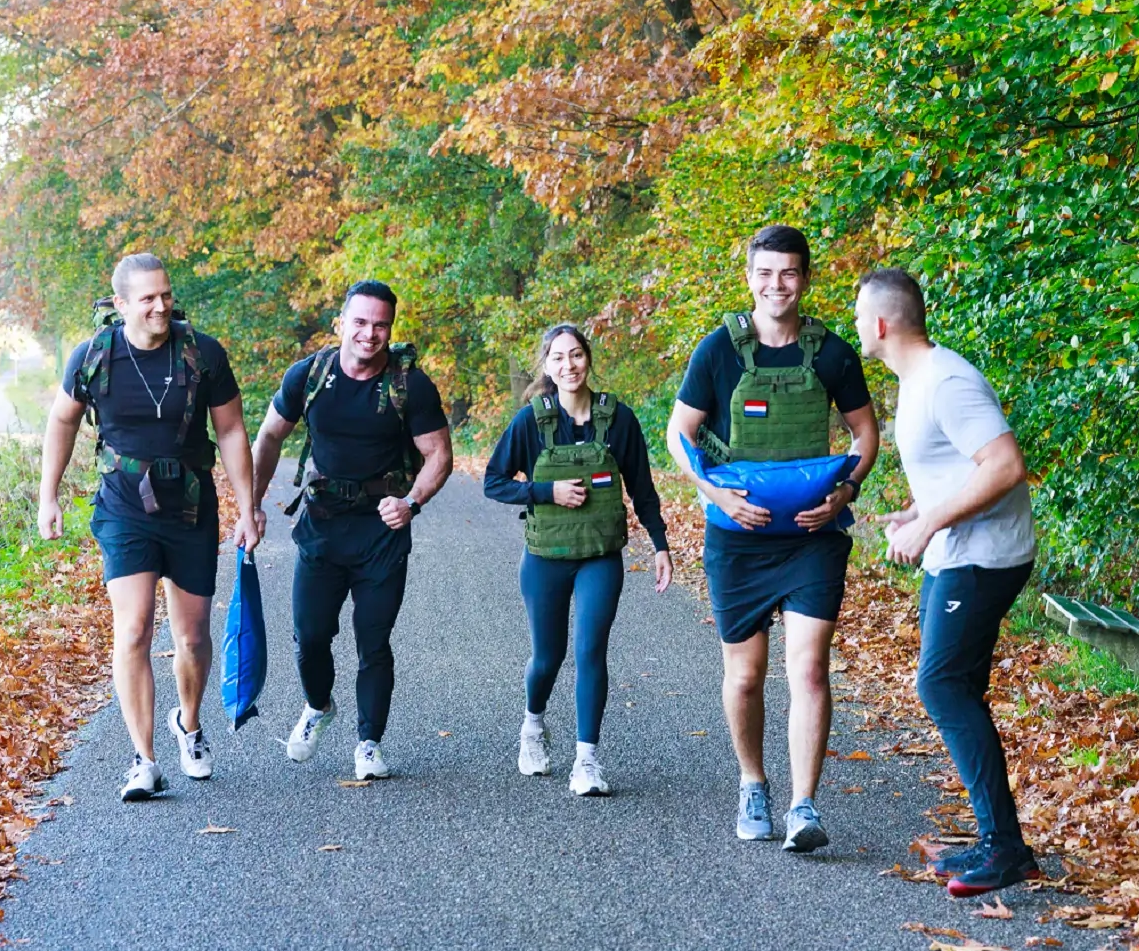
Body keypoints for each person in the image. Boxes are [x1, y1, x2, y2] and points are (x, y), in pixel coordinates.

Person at [665, 224, 879, 850]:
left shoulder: (833, 353)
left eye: (788, 273)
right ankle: (753, 782)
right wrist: (715, 493)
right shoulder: (718, 350)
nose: (776, 285)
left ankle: (804, 806)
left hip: (814, 536)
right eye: (765, 273)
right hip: (739, 538)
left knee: (810, 670)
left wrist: (846, 492)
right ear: (749, 278)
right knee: (746, 677)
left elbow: (866, 437)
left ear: (805, 278)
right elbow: (680, 434)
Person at [37, 253, 259, 802]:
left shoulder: (202, 354)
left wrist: (247, 505)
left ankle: (188, 724)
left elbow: (230, 431)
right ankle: (144, 759)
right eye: (148, 298)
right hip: (123, 506)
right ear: (121, 305)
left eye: (165, 295)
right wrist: (49, 496)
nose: (161, 306)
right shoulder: (93, 357)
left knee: (191, 636)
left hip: (189, 506)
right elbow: (62, 421)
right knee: (133, 630)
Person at [854, 266, 1042, 897]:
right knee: (954, 688)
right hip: (960, 552)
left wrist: (931, 520)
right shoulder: (917, 380)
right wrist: (918, 510)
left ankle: (1006, 849)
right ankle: (998, 839)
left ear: (881, 324)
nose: (858, 326)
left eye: (860, 317)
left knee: (940, 685)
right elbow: (961, 467)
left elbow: (1006, 466)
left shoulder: (946, 380)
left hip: (985, 556)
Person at [245, 280, 454, 781]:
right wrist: (248, 505)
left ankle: (369, 743)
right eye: (360, 322)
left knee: (373, 641)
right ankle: (319, 705)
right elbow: (270, 435)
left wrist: (410, 502)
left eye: (380, 324)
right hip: (321, 527)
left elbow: (439, 456)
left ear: (390, 328)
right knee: (310, 636)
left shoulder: (410, 385)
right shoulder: (310, 375)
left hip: (381, 533)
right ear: (341, 323)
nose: (369, 334)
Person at [483, 324, 674, 797]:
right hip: (545, 557)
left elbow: (643, 490)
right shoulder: (531, 421)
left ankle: (586, 760)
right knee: (548, 657)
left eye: (576, 355)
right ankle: (532, 727)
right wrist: (547, 491)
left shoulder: (619, 419)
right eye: (558, 358)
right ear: (546, 366)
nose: (569, 366)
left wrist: (660, 545)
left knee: (590, 651)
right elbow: (494, 481)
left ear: (588, 359)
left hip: (600, 556)